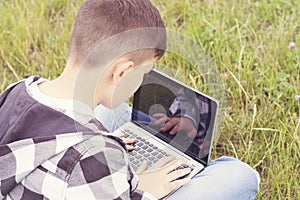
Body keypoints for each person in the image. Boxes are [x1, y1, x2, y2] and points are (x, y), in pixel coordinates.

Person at [0, 0, 260, 199]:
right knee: (241, 176)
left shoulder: (19, 89)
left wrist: (105, 143)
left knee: (118, 113)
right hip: (89, 176)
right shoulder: (97, 155)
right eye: (144, 74)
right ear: (122, 72)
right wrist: (141, 186)